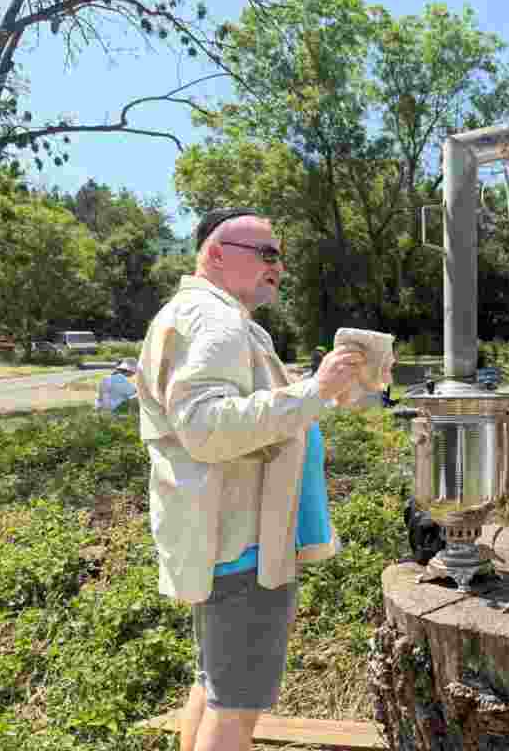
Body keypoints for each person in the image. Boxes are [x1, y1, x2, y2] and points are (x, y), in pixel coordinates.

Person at [135, 207, 366, 751]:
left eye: (279, 256)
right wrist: (315, 390)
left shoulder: (218, 318)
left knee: (214, 686)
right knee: (237, 707)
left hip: (229, 540)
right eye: (266, 254)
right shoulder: (214, 319)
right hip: (242, 545)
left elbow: (255, 412)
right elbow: (208, 428)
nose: (278, 267)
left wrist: (322, 387)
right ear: (216, 254)